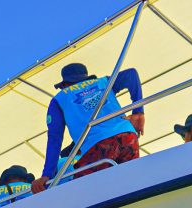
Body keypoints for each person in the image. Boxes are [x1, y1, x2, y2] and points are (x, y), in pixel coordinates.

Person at [31, 63, 145, 193]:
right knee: (131, 182)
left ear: (64, 85)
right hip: (128, 136)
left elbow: (54, 140)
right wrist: (138, 111)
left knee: (80, 190)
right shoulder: (103, 82)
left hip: (99, 145)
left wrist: (47, 175)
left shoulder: (59, 99)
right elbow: (131, 74)